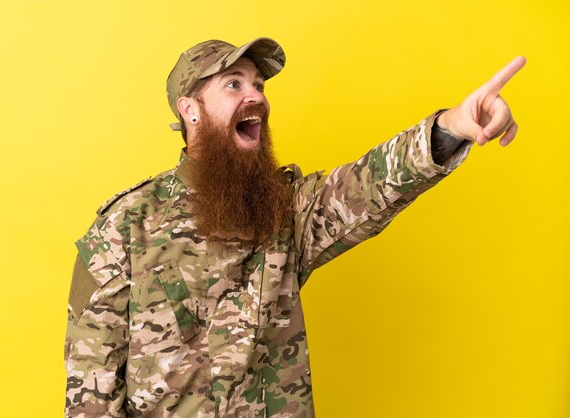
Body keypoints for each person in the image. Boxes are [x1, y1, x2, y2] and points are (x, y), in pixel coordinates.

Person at [64, 37, 525, 417]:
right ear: (191, 109)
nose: (257, 97)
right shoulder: (126, 225)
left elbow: (369, 185)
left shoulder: (284, 210)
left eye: (260, 85)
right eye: (233, 83)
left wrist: (453, 128)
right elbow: (91, 384)